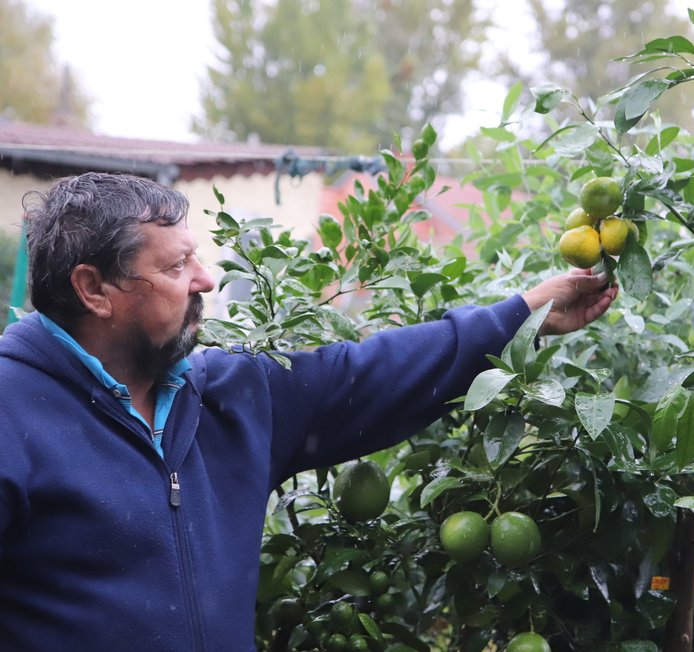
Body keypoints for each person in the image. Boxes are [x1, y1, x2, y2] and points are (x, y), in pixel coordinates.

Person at [0, 172, 616, 651]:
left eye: (196, 257)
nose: (206, 280)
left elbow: (374, 373)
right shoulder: (13, 410)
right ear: (92, 290)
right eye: (176, 265)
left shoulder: (230, 397)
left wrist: (524, 311)